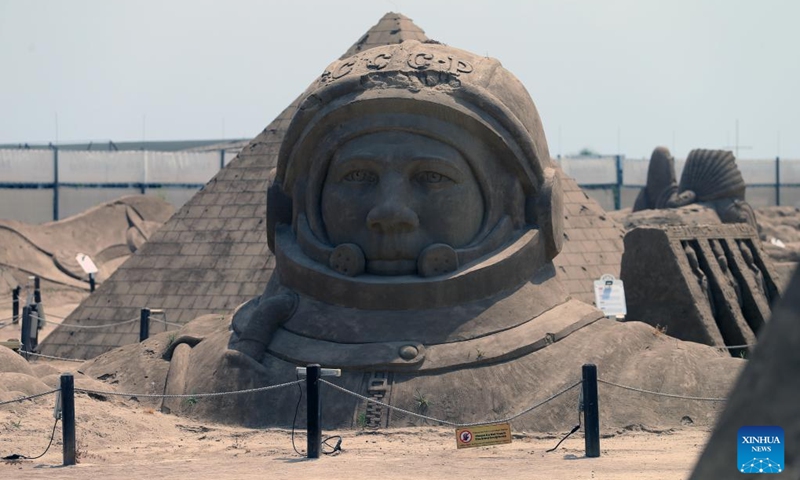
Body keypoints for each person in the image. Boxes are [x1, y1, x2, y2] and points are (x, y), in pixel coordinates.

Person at [91, 41, 741, 430]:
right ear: (293, 208)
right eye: (356, 176)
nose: (390, 212)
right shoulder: (183, 371)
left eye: (433, 176)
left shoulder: (668, 379)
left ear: (527, 207)